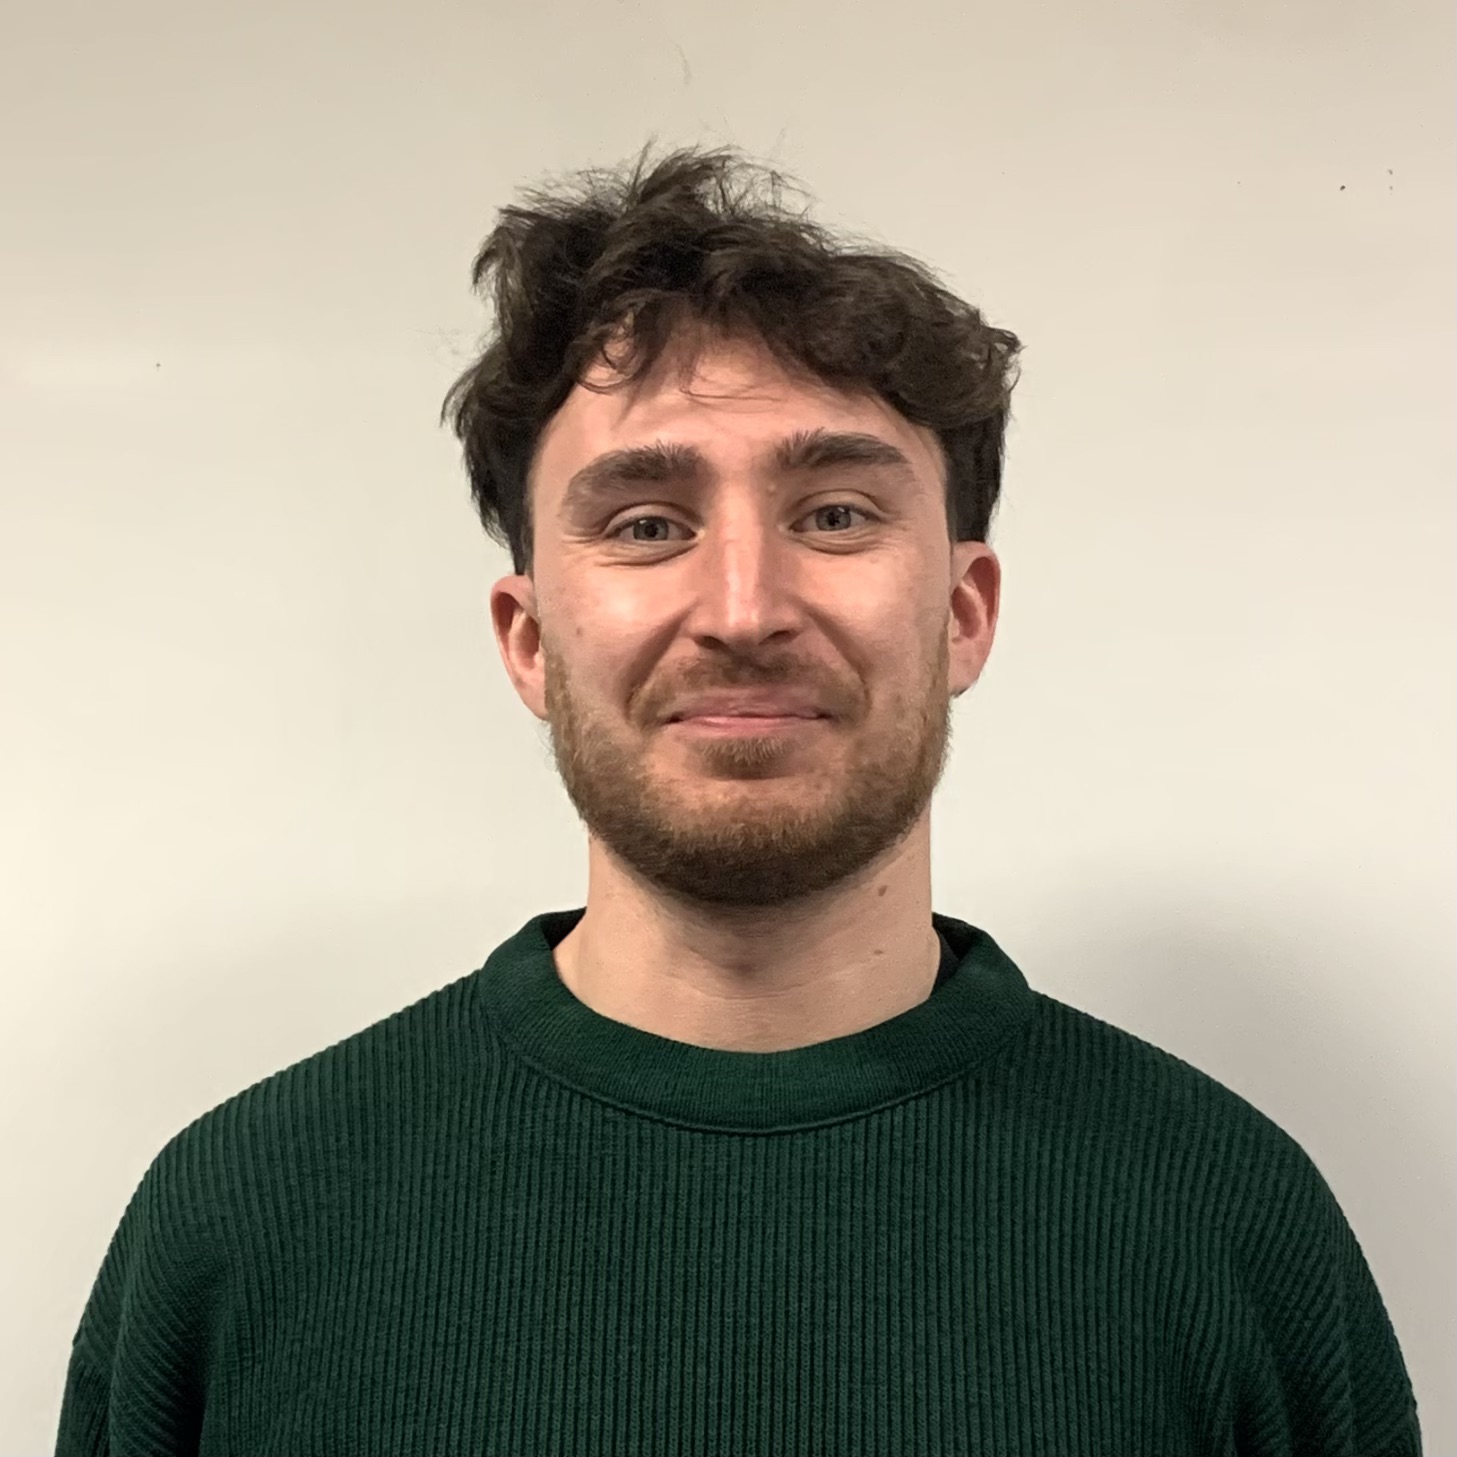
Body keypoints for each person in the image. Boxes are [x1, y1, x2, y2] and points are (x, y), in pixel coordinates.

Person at [54, 143, 1421, 1456]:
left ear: (961, 612)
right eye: (647, 524)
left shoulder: (1231, 1225)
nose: (743, 608)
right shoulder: (236, 1229)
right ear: (530, 641)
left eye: (834, 514)